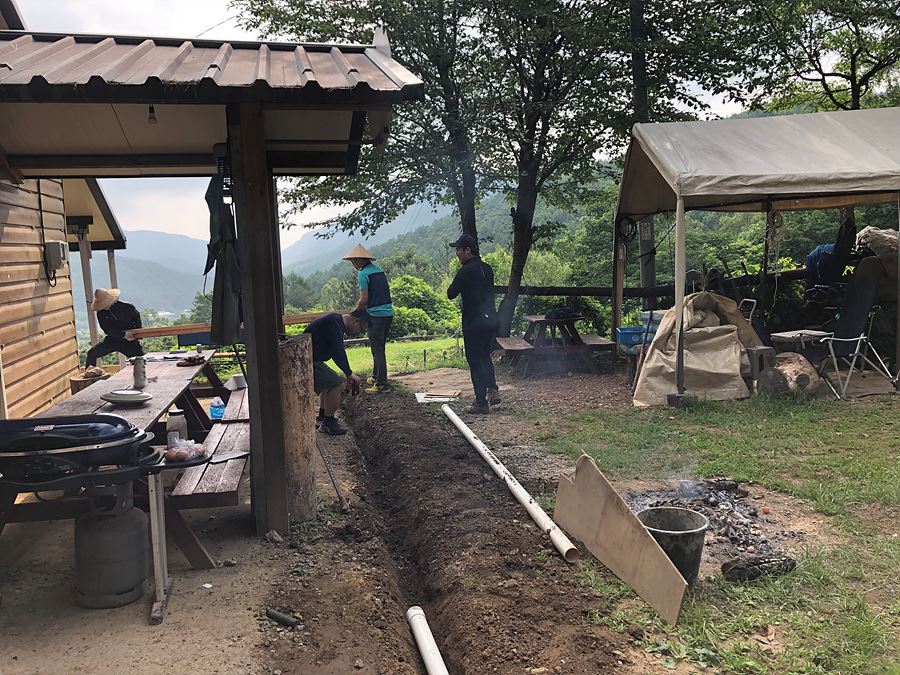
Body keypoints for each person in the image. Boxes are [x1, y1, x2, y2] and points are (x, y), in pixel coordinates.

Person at [447, 234, 500, 414]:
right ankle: (492, 389)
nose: (457, 254)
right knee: (485, 356)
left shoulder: (466, 271)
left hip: (473, 322)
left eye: (458, 250)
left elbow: (451, 293)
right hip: (490, 320)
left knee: (475, 360)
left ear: (467, 250)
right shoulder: (487, 268)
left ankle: (480, 402)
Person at [303, 309, 370, 435]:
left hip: (310, 359)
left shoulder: (335, 322)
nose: (359, 333)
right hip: (307, 361)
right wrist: (349, 374)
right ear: (356, 321)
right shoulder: (334, 323)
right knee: (337, 384)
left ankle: (322, 416)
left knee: (330, 381)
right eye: (361, 330)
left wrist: (348, 373)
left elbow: (337, 350)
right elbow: (338, 351)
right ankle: (328, 423)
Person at [343, 244, 395, 394]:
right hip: (388, 313)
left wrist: (355, 311)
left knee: (378, 350)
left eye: (354, 261)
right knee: (378, 347)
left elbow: (363, 299)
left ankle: (381, 384)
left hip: (376, 315)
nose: (353, 264)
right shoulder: (379, 271)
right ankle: (375, 376)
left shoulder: (363, 274)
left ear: (360, 260)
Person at [85, 288, 144, 367]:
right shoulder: (101, 313)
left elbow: (136, 317)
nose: (104, 306)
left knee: (140, 359)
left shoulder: (127, 307)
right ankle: (90, 373)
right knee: (92, 353)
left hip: (129, 341)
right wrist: (123, 335)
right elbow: (107, 330)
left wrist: (138, 332)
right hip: (113, 339)